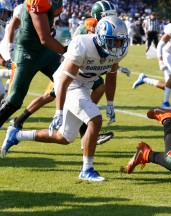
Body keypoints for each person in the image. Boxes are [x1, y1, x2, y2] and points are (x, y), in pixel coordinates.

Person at [1, 16, 129, 182]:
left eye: (120, 41)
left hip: (84, 84)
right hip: (70, 84)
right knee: (95, 119)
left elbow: (111, 76)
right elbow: (64, 81)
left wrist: (110, 103)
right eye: (114, 41)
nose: (118, 46)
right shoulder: (83, 45)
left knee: (65, 137)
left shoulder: (117, 52)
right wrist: (58, 112)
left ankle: (16, 135)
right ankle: (87, 169)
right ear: (102, 37)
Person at [9, 0, 127, 146]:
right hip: (69, 67)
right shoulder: (90, 27)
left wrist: (115, 66)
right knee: (50, 95)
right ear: (98, 16)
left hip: (84, 72)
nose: (111, 19)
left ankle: (86, 130)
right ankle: (19, 119)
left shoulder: (108, 30)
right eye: (107, 16)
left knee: (98, 88)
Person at [0, 0, 66, 128]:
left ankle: (87, 133)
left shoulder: (58, 1)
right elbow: (44, 38)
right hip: (28, 52)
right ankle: (15, 125)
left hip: (45, 52)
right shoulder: (38, 1)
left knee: (70, 83)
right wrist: (67, 51)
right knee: (14, 100)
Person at [131, 8, 171, 109]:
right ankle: (165, 103)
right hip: (167, 53)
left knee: (168, 86)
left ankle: (144, 79)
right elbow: (160, 45)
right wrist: (160, 61)